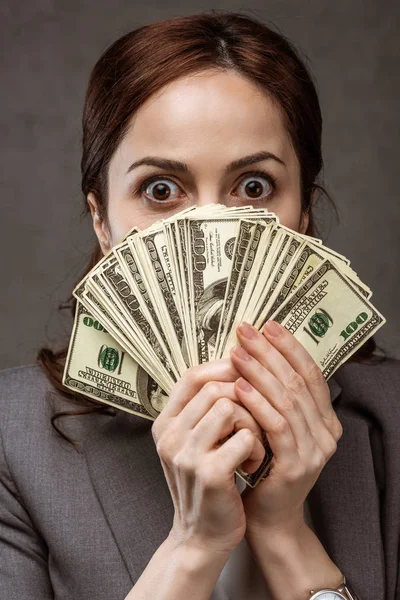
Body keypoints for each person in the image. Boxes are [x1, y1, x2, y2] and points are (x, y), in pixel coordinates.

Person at [0, 10, 398, 600]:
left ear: (304, 213)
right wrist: (192, 547)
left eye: (253, 187)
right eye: (161, 190)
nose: (212, 235)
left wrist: (287, 536)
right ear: (102, 220)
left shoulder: (392, 418)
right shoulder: (12, 439)